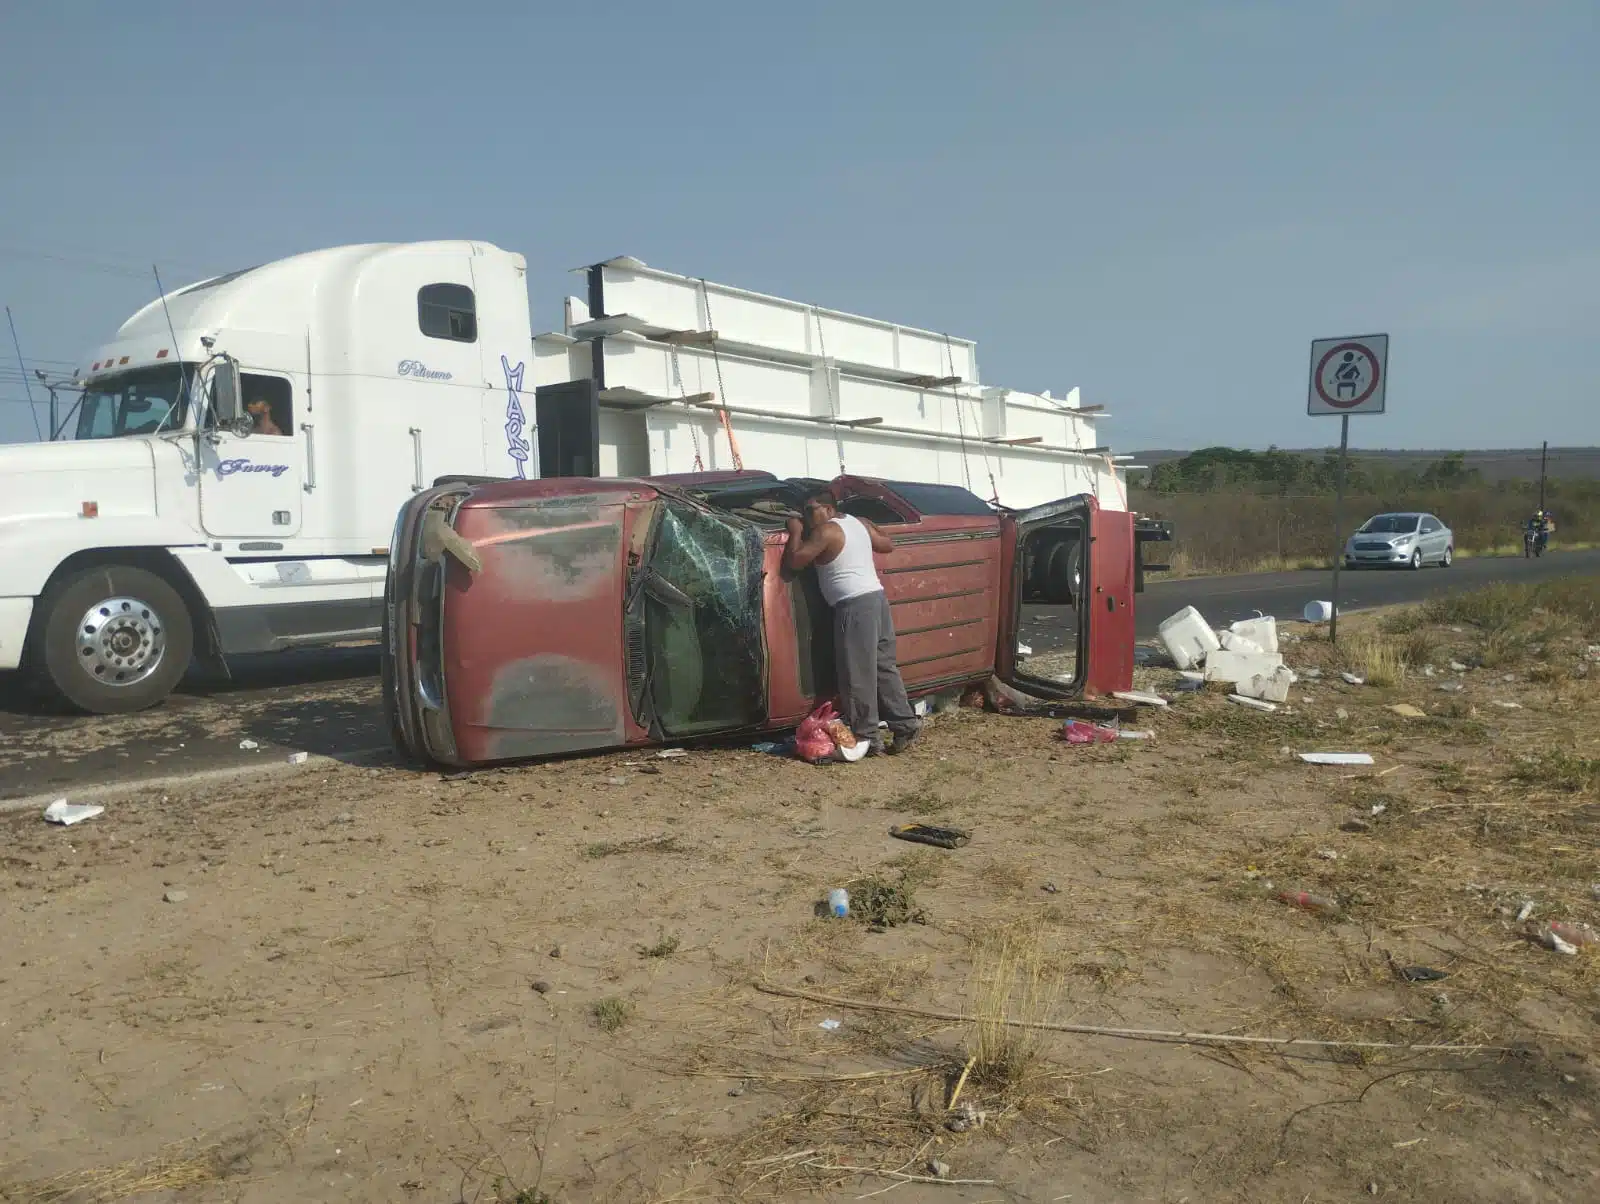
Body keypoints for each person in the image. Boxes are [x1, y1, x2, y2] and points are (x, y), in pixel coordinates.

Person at [783, 492, 921, 755]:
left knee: (857, 674)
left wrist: (795, 530)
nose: (806, 515)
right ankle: (904, 724)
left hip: (854, 605)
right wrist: (869, 527)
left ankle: (866, 737)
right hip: (877, 600)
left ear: (827, 508)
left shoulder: (826, 531)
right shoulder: (858, 523)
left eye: (810, 510)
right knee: (883, 668)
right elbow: (887, 544)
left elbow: (795, 561)